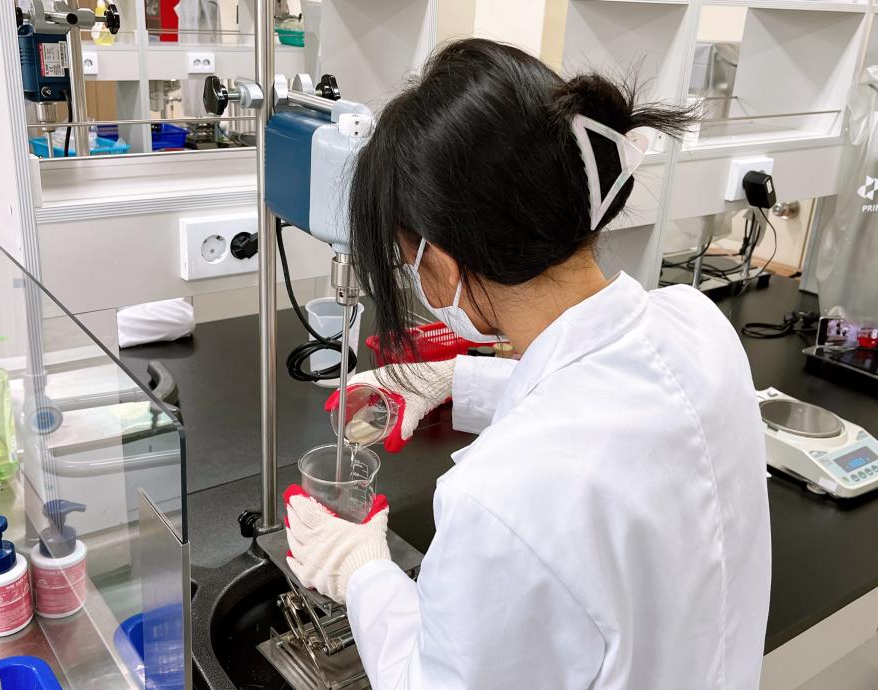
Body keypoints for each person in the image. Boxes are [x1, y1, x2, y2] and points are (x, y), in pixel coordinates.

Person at [283, 38, 771, 689]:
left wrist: (364, 570)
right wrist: (454, 380)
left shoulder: (499, 499)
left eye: (405, 258)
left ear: (441, 264)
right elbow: (604, 401)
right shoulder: (697, 325)